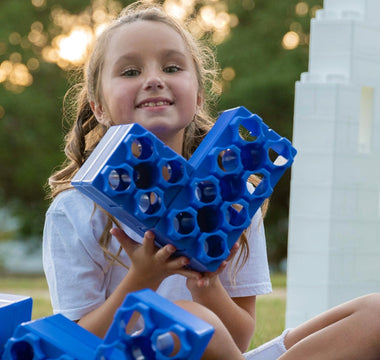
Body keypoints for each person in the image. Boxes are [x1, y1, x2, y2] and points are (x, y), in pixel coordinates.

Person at [43, 2, 380, 360]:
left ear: (199, 96)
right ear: (98, 107)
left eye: (172, 67)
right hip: (131, 354)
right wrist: (144, 277)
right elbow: (76, 345)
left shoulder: (229, 198)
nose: (154, 78)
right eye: (129, 71)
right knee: (184, 319)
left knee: (374, 314)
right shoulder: (75, 211)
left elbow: (237, 341)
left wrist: (208, 285)